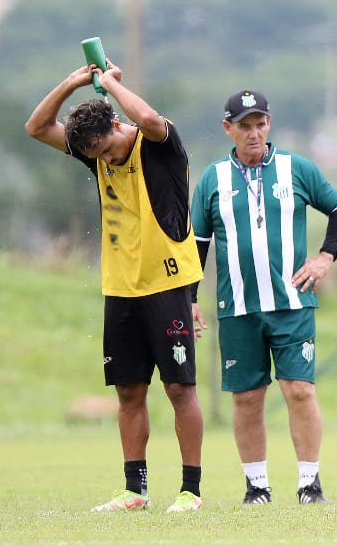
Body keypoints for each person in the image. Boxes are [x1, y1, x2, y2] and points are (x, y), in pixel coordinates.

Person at [26, 61, 206, 513]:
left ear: (116, 125)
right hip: (121, 289)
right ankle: (135, 490)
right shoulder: (95, 152)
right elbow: (37, 128)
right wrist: (71, 82)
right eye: (96, 155)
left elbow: (147, 118)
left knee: (179, 389)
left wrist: (108, 83)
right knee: (128, 391)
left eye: (106, 148)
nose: (104, 160)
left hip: (168, 284)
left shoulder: (159, 144)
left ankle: (191, 491)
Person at [189, 90, 337, 505]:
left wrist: (325, 258)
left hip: (292, 304)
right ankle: (257, 487)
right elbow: (198, 245)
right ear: (228, 128)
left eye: (260, 124)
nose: (254, 133)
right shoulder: (213, 179)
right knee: (247, 398)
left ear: (269, 124)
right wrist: (189, 299)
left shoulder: (296, 168)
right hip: (238, 307)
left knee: (300, 391)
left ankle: (310, 485)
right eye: (245, 126)